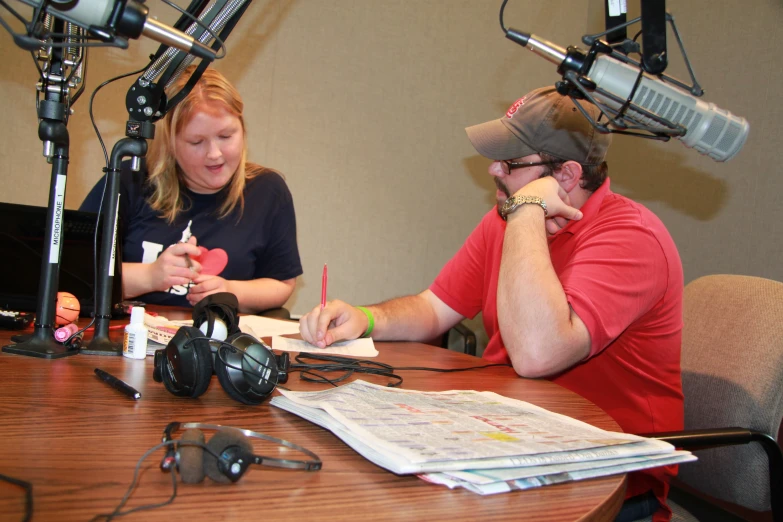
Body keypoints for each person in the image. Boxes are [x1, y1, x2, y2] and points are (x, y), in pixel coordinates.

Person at [299, 87, 684, 522]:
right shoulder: (507, 219)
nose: (493, 169)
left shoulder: (631, 238)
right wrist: (367, 319)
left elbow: (539, 353)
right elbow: (434, 307)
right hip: (508, 438)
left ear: (567, 176)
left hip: (605, 477)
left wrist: (526, 210)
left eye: (512, 162)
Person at [80, 66, 302, 313]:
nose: (214, 154)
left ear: (243, 129)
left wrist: (231, 291)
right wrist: (150, 276)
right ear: (171, 144)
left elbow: (281, 282)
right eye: (196, 142)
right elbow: (77, 273)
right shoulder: (128, 180)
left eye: (226, 136)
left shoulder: (268, 191)